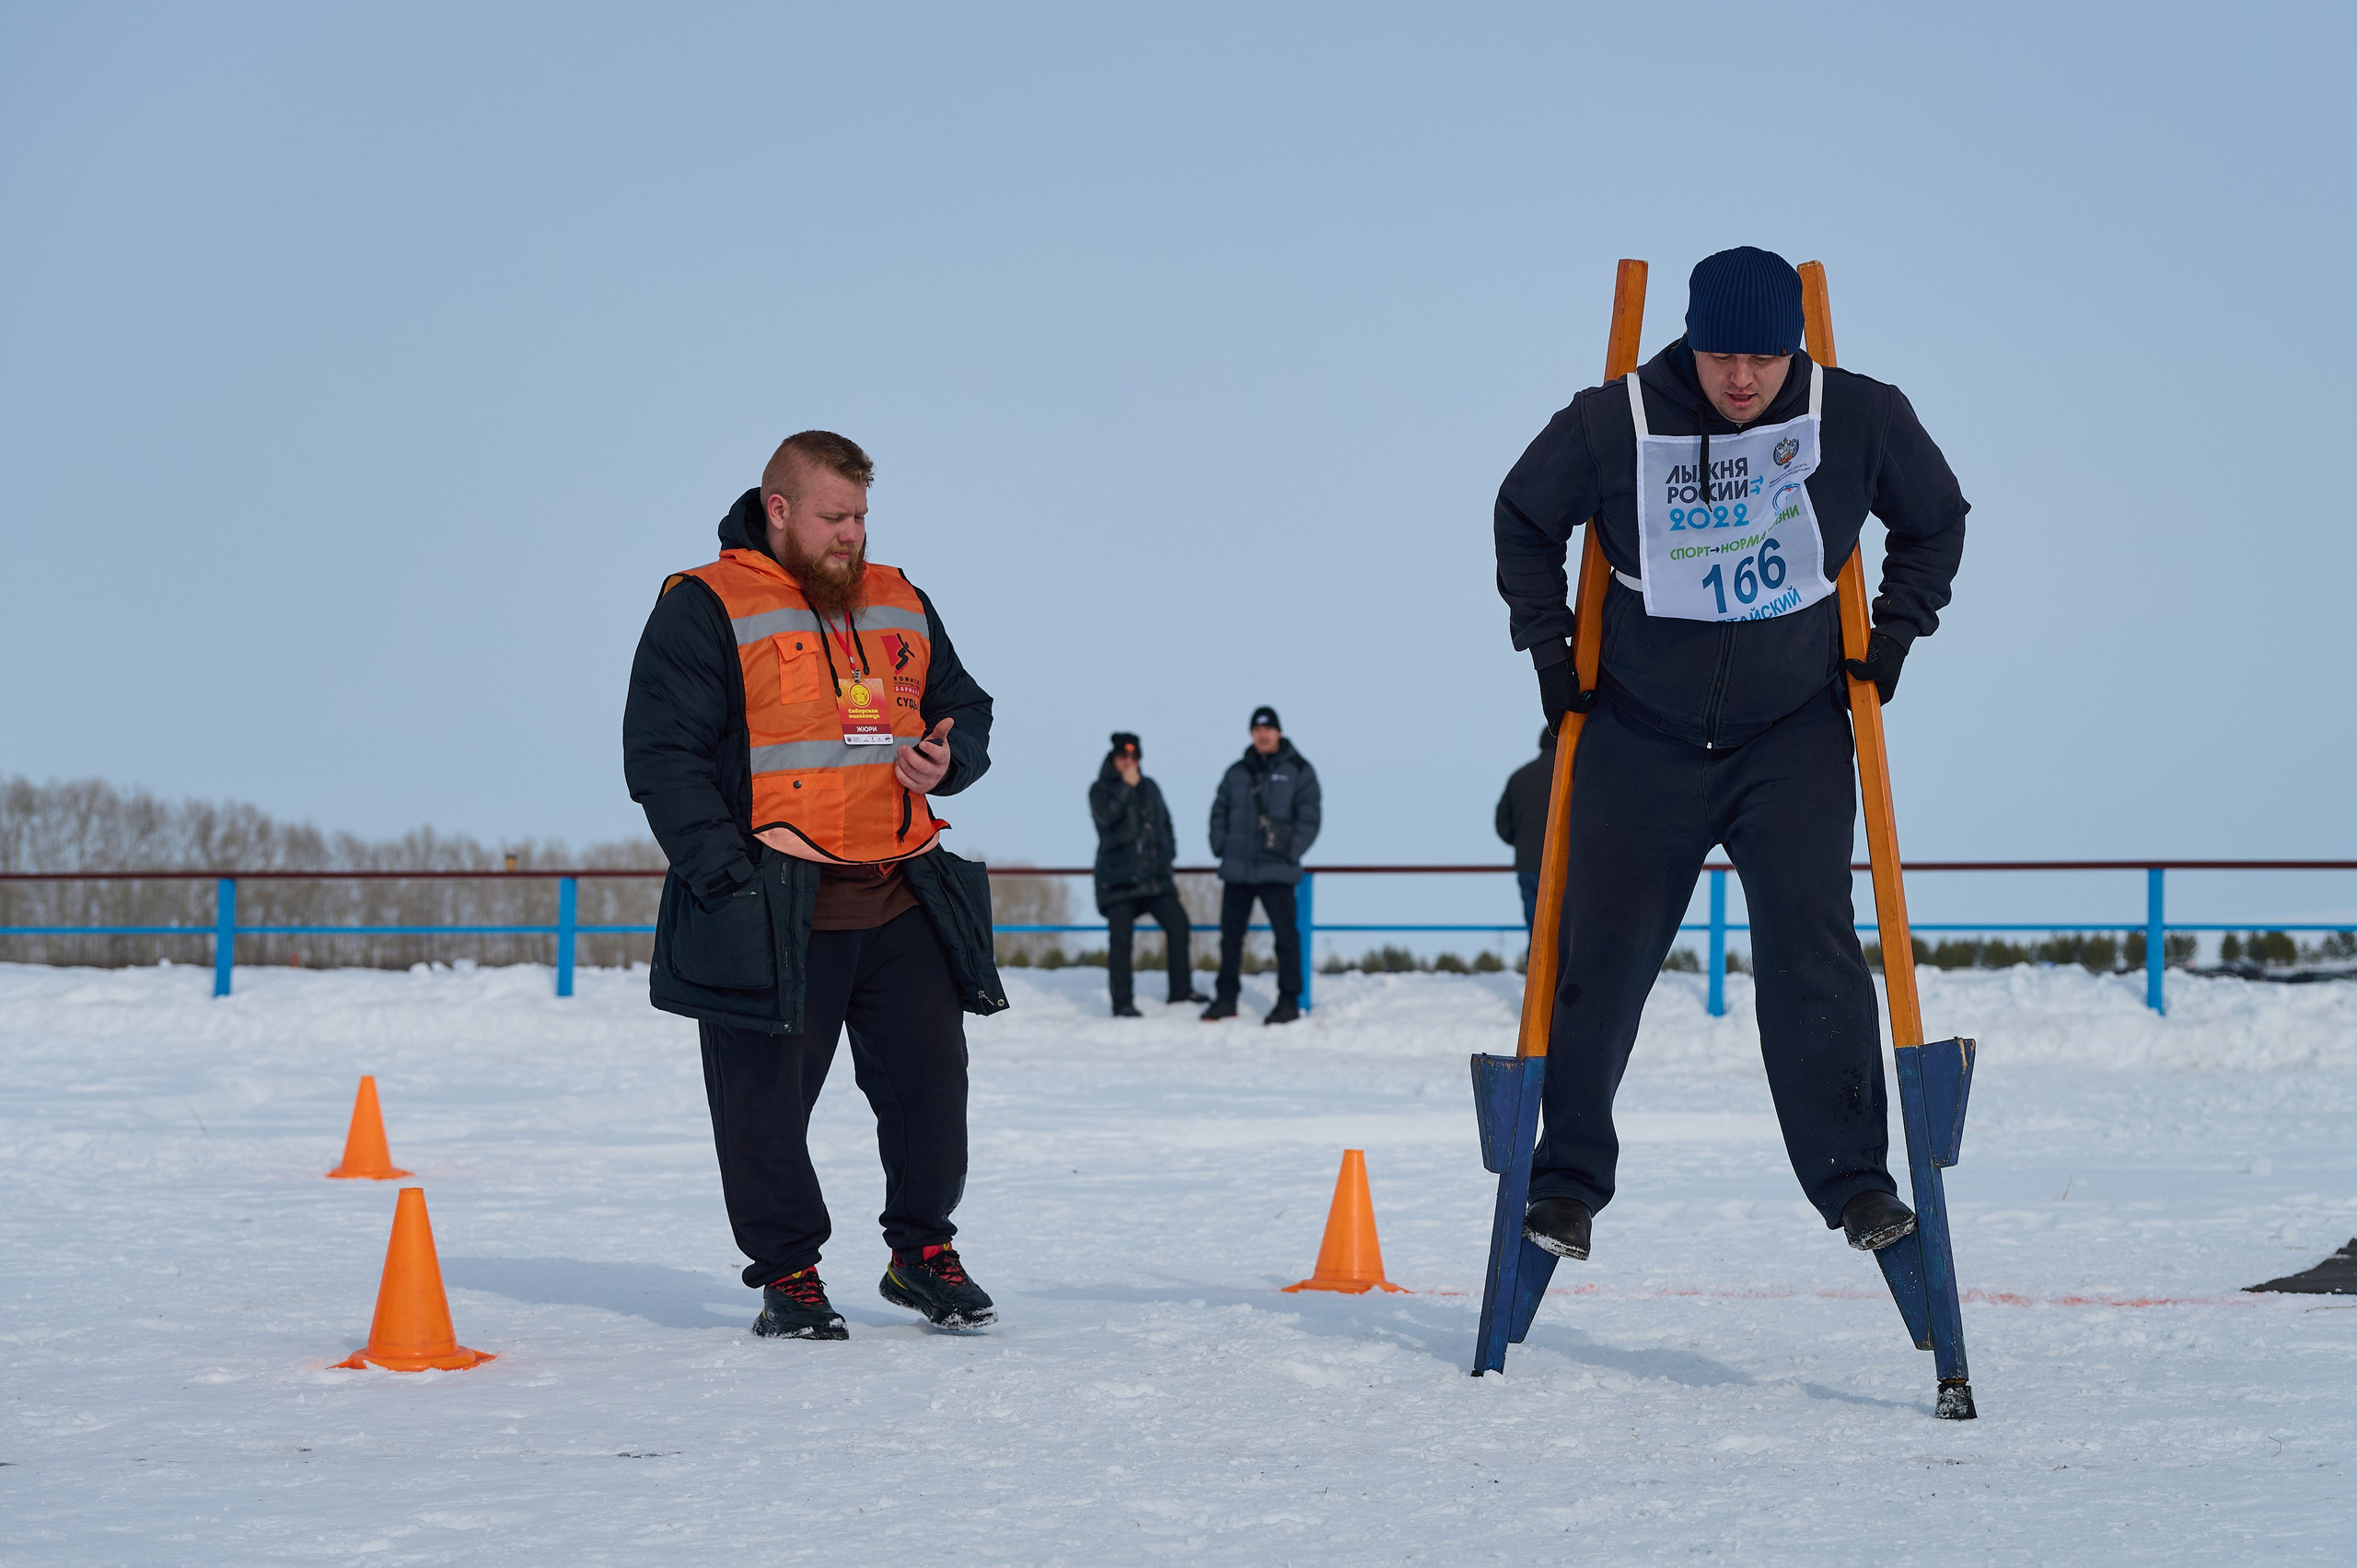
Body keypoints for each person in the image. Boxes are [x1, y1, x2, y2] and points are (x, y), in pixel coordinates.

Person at [1492, 247, 1968, 1265]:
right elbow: (1523, 516)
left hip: (1790, 734)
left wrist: (1892, 635)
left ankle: (1856, 1179)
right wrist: (1547, 646)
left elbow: (1936, 521)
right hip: (1639, 733)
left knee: (1813, 948)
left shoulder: (1859, 414)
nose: (1741, 378)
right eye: (1720, 357)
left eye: (1763, 357)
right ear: (1691, 341)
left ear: (1794, 347)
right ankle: (1566, 1180)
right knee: (1599, 955)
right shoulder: (1616, 418)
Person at [623, 429, 1008, 1342]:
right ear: (780, 509)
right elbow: (663, 756)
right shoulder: (704, 604)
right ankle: (789, 1272)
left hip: (900, 889)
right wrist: (727, 880)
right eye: (835, 516)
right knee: (764, 1105)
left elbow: (965, 705)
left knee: (931, 1087)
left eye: (862, 516)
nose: (852, 534)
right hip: (773, 898)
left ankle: (922, 1252)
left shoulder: (900, 596)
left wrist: (950, 754)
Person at [1203, 705, 1321, 1025]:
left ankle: (1288, 1002)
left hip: (1277, 870)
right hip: (1238, 869)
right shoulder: (1236, 772)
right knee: (1230, 939)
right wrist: (1221, 847)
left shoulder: (1299, 771)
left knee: (1286, 939)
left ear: (1279, 732)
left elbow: (1310, 818)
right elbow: (1218, 810)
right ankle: (1226, 999)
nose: (1263, 735)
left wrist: (1290, 851)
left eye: (1268, 730)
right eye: (1257, 730)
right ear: (1251, 734)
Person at [1090, 732, 1209, 1016]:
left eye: (1134, 756)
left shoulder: (1151, 787)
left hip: (1155, 879)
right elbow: (1106, 821)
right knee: (1121, 940)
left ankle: (1181, 992)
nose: (1129, 761)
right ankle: (1123, 1003)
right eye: (1124, 756)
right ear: (1114, 758)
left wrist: (1168, 854)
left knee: (1179, 924)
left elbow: (1166, 823)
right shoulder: (1100, 789)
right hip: (1118, 880)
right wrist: (1126, 788)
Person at [1494, 727, 1557, 929]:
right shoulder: (1575, 776)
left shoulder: (1519, 776)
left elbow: (1502, 823)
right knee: (1561, 930)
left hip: (1528, 864)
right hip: (1564, 864)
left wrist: (1523, 842)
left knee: (1536, 928)